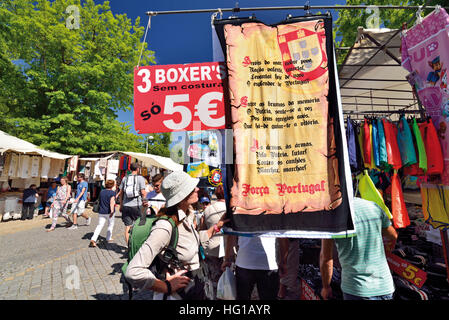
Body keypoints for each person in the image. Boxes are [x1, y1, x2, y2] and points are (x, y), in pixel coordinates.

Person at [125, 171, 228, 300]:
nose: (197, 188)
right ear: (182, 196)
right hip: (179, 295)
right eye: (191, 188)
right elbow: (133, 271)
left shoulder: (186, 216)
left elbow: (190, 242)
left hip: (194, 288)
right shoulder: (165, 226)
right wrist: (165, 286)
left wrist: (216, 227)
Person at [319, 197, 398, 300]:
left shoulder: (332, 215)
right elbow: (393, 235)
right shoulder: (374, 206)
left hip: (357, 289)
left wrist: (326, 287)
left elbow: (326, 258)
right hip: (385, 286)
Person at [222, 234, 281, 300]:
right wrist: (283, 261)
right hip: (268, 264)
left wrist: (227, 259)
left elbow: (231, 235)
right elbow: (283, 238)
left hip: (244, 262)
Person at [199, 184, 226, 300]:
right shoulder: (231, 208)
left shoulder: (208, 209)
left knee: (214, 277)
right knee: (228, 276)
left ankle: (215, 297)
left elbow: (202, 229)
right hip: (228, 248)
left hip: (211, 248)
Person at [118, 162, 147, 244]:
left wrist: (121, 205)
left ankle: (128, 247)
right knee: (140, 225)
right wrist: (145, 203)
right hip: (137, 205)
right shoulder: (140, 178)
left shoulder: (124, 178)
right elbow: (143, 193)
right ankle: (138, 245)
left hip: (126, 206)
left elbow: (121, 193)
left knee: (128, 226)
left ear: (130, 169)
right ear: (138, 169)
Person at [89, 180, 116, 247]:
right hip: (109, 212)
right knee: (110, 225)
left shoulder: (102, 192)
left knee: (99, 225)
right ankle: (108, 237)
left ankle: (93, 239)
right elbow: (111, 202)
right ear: (112, 185)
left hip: (101, 211)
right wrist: (112, 211)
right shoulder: (112, 193)